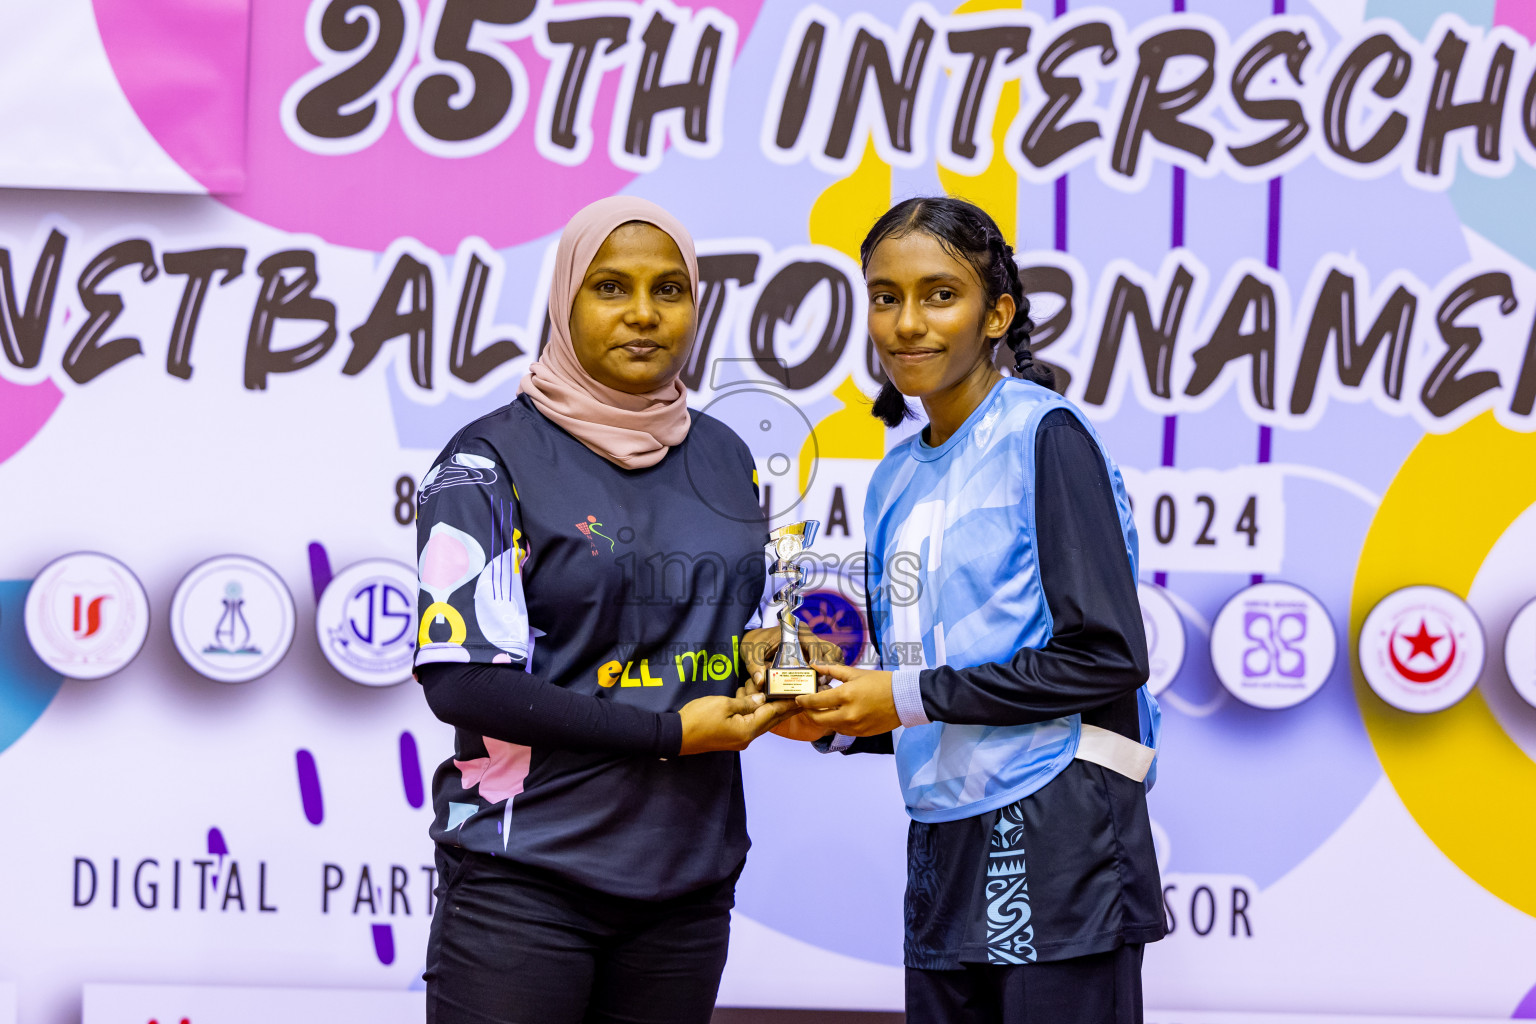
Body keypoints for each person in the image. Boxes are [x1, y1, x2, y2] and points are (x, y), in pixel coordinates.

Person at [764, 197, 1165, 1023]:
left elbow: (1106, 657)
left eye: (940, 294)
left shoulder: (1044, 436)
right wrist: (840, 716)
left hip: (1059, 837)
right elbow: (931, 685)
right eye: (885, 297)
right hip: (943, 844)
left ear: (998, 314)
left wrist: (900, 698)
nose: (907, 323)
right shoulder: (894, 477)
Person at [414, 195, 801, 1024]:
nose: (643, 314)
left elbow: (718, 628)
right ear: (564, 300)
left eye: (670, 290)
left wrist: (767, 658)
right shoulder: (488, 461)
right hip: (527, 879)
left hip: (687, 882)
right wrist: (670, 735)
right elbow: (461, 683)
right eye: (610, 287)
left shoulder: (727, 456)